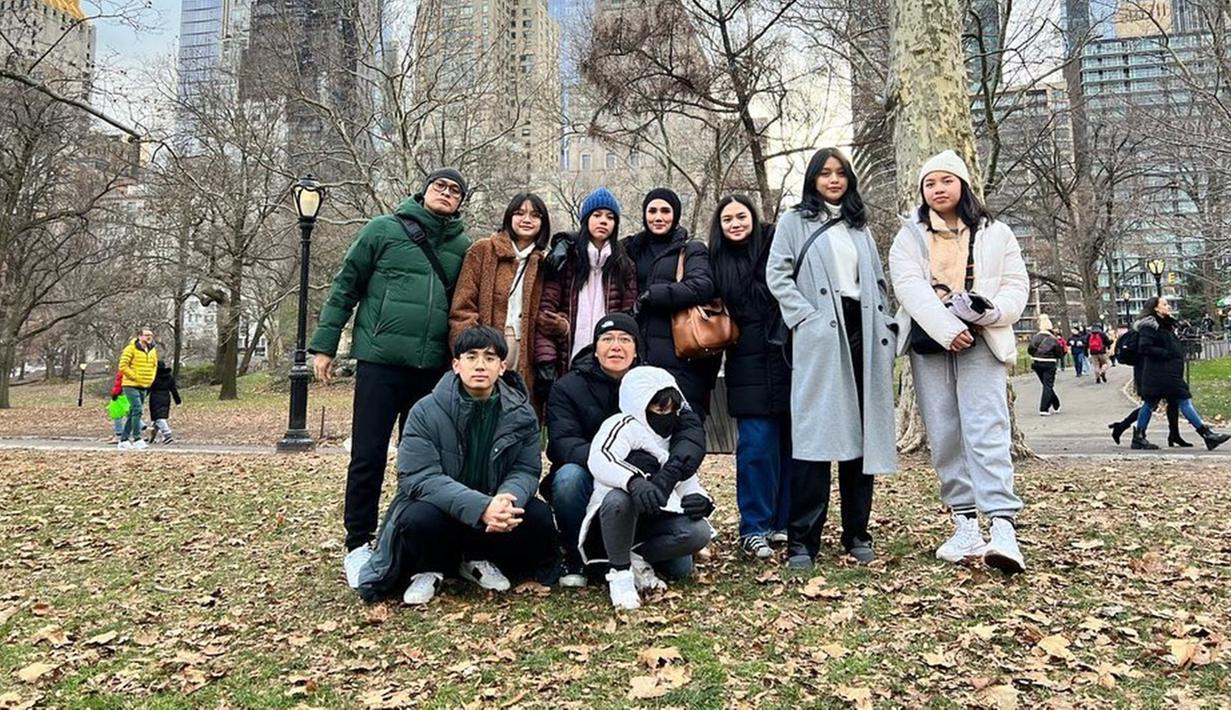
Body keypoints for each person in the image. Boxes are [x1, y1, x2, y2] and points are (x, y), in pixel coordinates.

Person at [308, 168, 472, 589]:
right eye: (441, 186)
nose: (447, 193)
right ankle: (358, 543)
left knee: (426, 463)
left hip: (433, 369)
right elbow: (346, 286)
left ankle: (415, 544)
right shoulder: (382, 230)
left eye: (456, 191)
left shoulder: (462, 246)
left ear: (460, 202)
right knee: (368, 456)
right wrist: (325, 345)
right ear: (424, 190)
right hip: (381, 363)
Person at [888, 149, 1029, 575]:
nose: (937, 190)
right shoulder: (908, 237)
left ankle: (1003, 526)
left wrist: (989, 312)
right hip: (931, 345)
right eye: (929, 184)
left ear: (963, 185)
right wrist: (947, 328)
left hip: (983, 340)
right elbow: (908, 287)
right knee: (944, 430)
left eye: (946, 181)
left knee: (986, 427)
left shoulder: (996, 233)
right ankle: (965, 523)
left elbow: (1015, 285)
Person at [355, 326, 559, 605]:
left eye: (489, 358)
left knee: (536, 514)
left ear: (502, 367)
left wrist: (504, 499)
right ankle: (428, 568)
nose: (479, 365)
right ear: (455, 365)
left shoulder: (521, 413)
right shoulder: (426, 410)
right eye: (471, 357)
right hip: (442, 510)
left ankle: (477, 561)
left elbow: (526, 469)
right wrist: (481, 507)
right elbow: (418, 477)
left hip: (492, 504)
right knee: (417, 518)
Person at [766, 148, 897, 569]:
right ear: (813, 179)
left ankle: (857, 532)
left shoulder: (860, 226)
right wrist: (805, 317)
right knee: (816, 437)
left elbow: (875, 279)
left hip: (865, 330)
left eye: (841, 173)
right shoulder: (793, 220)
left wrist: (887, 324)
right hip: (822, 331)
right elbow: (777, 274)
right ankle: (803, 541)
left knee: (863, 436)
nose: (834, 180)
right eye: (825, 174)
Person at [545, 313, 706, 586]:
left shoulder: (656, 382)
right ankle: (576, 554)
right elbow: (563, 443)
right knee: (568, 478)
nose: (615, 346)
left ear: (636, 349)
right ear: (595, 349)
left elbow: (688, 429)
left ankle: (631, 553)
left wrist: (689, 489)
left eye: (624, 339)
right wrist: (622, 468)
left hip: (650, 480)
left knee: (681, 567)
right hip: (590, 474)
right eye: (607, 339)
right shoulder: (567, 387)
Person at [582, 366, 714, 609]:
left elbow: (687, 480)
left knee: (698, 534)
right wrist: (634, 481)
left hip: (657, 520)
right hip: (614, 516)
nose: (667, 415)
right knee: (618, 500)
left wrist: (701, 501)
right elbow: (600, 458)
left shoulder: (676, 435)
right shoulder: (621, 424)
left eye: (672, 409)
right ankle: (620, 574)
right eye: (660, 408)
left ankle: (638, 558)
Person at [708, 195, 791, 558]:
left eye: (741, 216)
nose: (736, 223)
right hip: (746, 363)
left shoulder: (777, 245)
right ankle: (754, 527)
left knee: (790, 449)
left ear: (754, 219)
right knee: (756, 447)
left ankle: (783, 523)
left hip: (788, 356)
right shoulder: (716, 262)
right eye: (727, 219)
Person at [534, 187, 638, 404]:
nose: (603, 221)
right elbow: (546, 314)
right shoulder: (567, 259)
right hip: (567, 359)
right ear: (586, 219)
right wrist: (547, 361)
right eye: (597, 215)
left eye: (610, 217)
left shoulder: (624, 264)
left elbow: (628, 319)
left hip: (609, 363)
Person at [624, 188, 721, 416]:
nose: (659, 217)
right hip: (638, 356)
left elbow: (702, 285)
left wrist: (652, 296)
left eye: (665, 211)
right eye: (653, 211)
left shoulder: (691, 250)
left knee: (684, 428)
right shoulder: (630, 249)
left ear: (675, 215)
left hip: (682, 357)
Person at [449, 193, 551, 410]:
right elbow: (462, 306)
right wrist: (471, 346)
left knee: (516, 409)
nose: (527, 219)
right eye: (520, 213)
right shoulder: (483, 250)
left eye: (535, 215)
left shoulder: (545, 262)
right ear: (509, 217)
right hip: (485, 343)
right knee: (478, 407)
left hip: (526, 348)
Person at [1130, 296, 1229, 451]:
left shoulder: (1165, 324)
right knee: (1183, 399)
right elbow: (1145, 348)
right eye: (1164, 304)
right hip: (1160, 373)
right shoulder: (1149, 326)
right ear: (1155, 308)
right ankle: (1207, 435)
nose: (1168, 306)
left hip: (1166, 372)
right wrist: (1167, 353)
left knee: (1150, 403)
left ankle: (1139, 437)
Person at [116, 327, 157, 451]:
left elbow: (154, 365)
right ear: (139, 336)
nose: (149, 337)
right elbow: (123, 366)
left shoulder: (152, 350)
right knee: (137, 409)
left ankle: (123, 440)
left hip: (145, 385)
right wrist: (134, 377)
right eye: (146, 335)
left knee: (134, 413)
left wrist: (151, 379)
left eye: (150, 335)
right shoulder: (130, 349)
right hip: (130, 384)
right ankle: (137, 438)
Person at [1027, 314, 1063, 416]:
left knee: (1046, 385)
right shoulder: (1053, 339)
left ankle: (1056, 403)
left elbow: (1030, 350)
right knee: (1048, 385)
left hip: (1037, 363)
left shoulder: (1035, 338)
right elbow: (1059, 353)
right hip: (1049, 363)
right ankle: (1044, 408)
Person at [146, 361, 182, 444]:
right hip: (166, 397)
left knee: (158, 417)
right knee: (157, 417)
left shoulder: (153, 376)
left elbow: (148, 388)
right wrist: (178, 401)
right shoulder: (169, 377)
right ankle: (152, 436)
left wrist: (142, 397)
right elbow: (173, 390)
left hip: (155, 397)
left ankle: (167, 434)